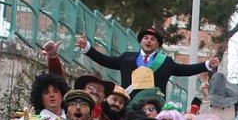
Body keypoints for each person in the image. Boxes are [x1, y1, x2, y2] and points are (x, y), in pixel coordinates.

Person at [76, 27, 219, 95]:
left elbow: (185, 70)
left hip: (153, 106)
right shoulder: (126, 58)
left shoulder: (166, 62)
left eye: (153, 39)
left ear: (157, 44)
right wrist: (87, 48)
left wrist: (207, 65)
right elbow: (106, 61)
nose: (148, 41)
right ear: (140, 41)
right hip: (128, 103)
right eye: (146, 38)